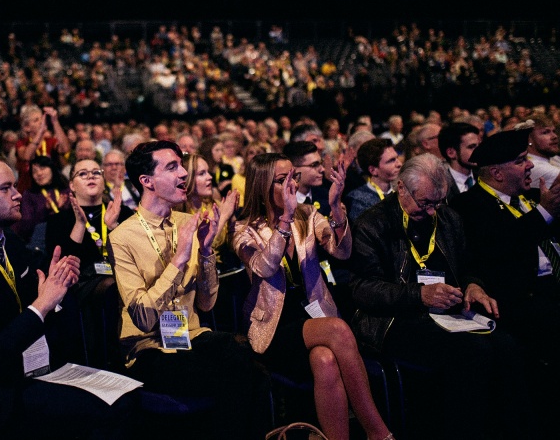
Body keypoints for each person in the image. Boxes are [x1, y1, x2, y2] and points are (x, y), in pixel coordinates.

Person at [0, 154, 135, 440]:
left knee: (128, 394)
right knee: (110, 410)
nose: (17, 195)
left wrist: (58, 283)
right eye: (5, 188)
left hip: (35, 371)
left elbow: (47, 289)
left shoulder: (9, 242)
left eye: (14, 187)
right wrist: (42, 306)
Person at [350, 152, 541, 439]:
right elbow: (363, 289)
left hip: (447, 313)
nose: (431, 212)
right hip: (394, 320)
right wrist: (420, 295)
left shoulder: (448, 218)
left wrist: (474, 285)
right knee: (472, 351)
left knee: (506, 344)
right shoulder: (372, 224)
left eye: (437, 203)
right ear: (401, 187)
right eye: (425, 203)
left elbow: (468, 266)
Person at [108, 140, 271, 439]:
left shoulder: (187, 222)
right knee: (236, 370)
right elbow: (143, 319)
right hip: (149, 347)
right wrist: (180, 258)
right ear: (147, 181)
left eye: (182, 165)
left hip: (190, 335)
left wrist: (206, 251)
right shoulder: (122, 237)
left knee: (250, 363)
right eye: (172, 167)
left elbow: (207, 304)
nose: (184, 173)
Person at [232, 153, 393, 440]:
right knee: (338, 329)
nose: (292, 185)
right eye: (282, 181)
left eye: (293, 176)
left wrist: (335, 208)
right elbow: (265, 267)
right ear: (262, 186)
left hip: (312, 313)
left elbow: (341, 251)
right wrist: (284, 220)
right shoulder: (244, 230)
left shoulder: (307, 214)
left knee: (325, 361)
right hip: (274, 327)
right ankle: (378, 433)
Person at [450, 128, 560, 418]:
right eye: (521, 160)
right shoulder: (470, 205)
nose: (531, 165)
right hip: (514, 300)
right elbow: (497, 248)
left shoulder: (531, 197)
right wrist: (545, 214)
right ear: (498, 173)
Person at [45, 158, 134, 368]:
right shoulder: (59, 220)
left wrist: (113, 228)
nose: (91, 176)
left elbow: (134, 256)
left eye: (96, 172)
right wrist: (79, 225)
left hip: (121, 277)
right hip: (79, 285)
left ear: (104, 181)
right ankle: (108, 361)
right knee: (111, 286)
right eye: (82, 174)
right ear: (71, 185)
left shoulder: (124, 213)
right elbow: (64, 265)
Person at [176, 152, 240, 269]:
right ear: (187, 179)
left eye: (208, 171)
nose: (210, 177)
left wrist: (232, 219)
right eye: (202, 173)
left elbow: (232, 245)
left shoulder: (215, 204)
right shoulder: (180, 214)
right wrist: (224, 215)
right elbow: (201, 249)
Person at [13, 155, 70, 252]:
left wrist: (62, 209)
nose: (39, 173)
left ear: (52, 169)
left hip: (66, 238)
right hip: (41, 243)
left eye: (42, 168)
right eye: (34, 171)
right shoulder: (30, 194)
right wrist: (45, 210)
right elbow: (25, 227)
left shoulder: (66, 191)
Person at [15, 106, 71, 193]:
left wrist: (55, 121)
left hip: (51, 190)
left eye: (42, 118)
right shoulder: (21, 143)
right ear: (27, 127)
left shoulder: (50, 141)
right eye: (36, 120)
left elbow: (65, 149)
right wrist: (41, 132)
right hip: (28, 192)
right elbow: (27, 156)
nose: (42, 121)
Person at [344, 138, 401, 224]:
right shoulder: (357, 200)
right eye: (391, 161)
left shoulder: (401, 192)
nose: (399, 164)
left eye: (397, 158)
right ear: (373, 170)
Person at [437, 122, 479, 202]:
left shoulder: (486, 178)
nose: (479, 150)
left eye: (478, 146)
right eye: (471, 147)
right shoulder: (440, 187)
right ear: (451, 153)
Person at [523, 114, 560, 187]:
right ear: (529, 139)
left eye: (554, 131)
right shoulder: (532, 165)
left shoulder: (553, 157)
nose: (554, 136)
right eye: (545, 132)